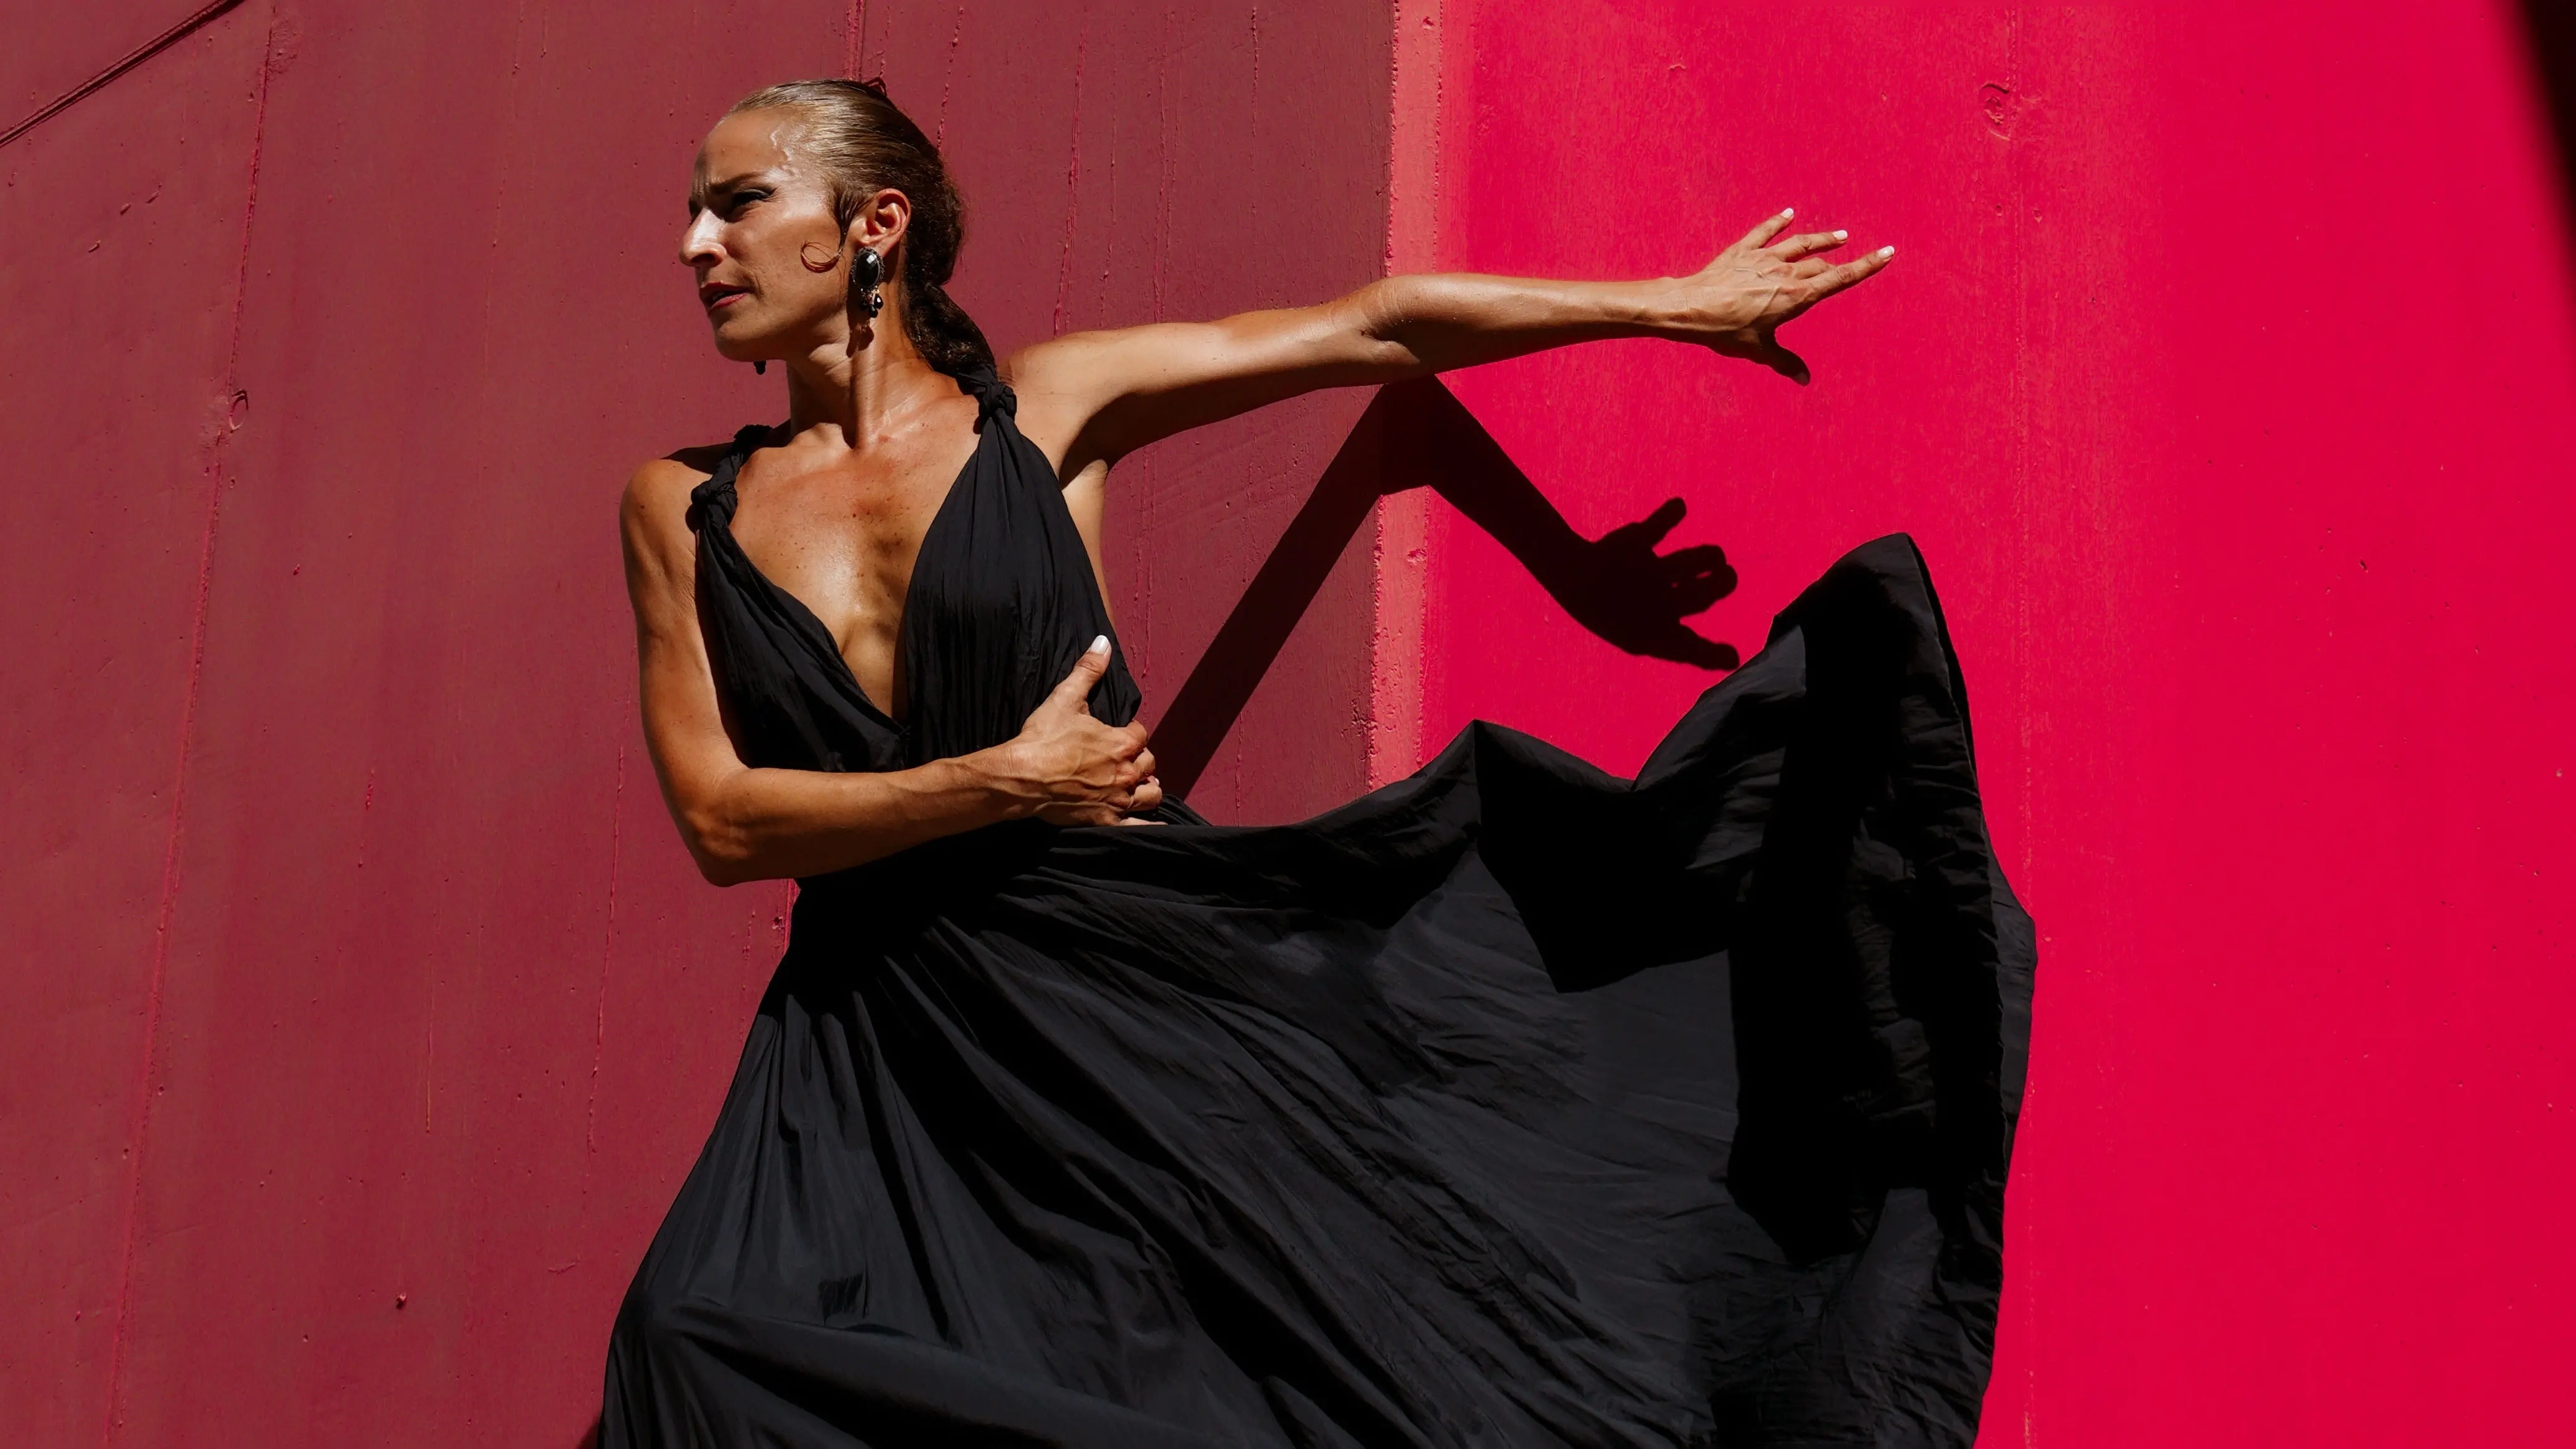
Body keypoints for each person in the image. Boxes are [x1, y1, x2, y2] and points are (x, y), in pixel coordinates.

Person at [606, 77, 2032, 1449]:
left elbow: (1374, 334)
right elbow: (724, 823)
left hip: (1106, 981)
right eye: (694, 213)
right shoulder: (680, 509)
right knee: (691, 1334)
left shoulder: (1046, 412)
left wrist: (1668, 307)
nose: (695, 246)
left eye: (736, 203)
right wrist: (1001, 782)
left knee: (1282, 1372)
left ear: (875, 223)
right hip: (859, 1025)